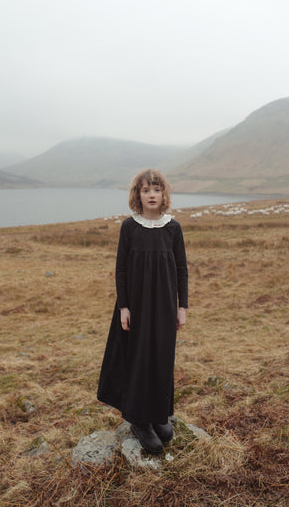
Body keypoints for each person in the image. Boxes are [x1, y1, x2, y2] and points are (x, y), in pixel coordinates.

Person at [97, 168, 188, 454]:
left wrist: (181, 306)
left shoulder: (173, 228)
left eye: (156, 190)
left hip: (163, 307)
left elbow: (182, 269)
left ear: (164, 195)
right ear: (138, 195)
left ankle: (159, 415)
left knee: (161, 358)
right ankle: (138, 419)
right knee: (138, 359)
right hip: (135, 307)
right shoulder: (130, 227)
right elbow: (120, 269)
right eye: (146, 190)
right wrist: (124, 306)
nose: (152, 194)